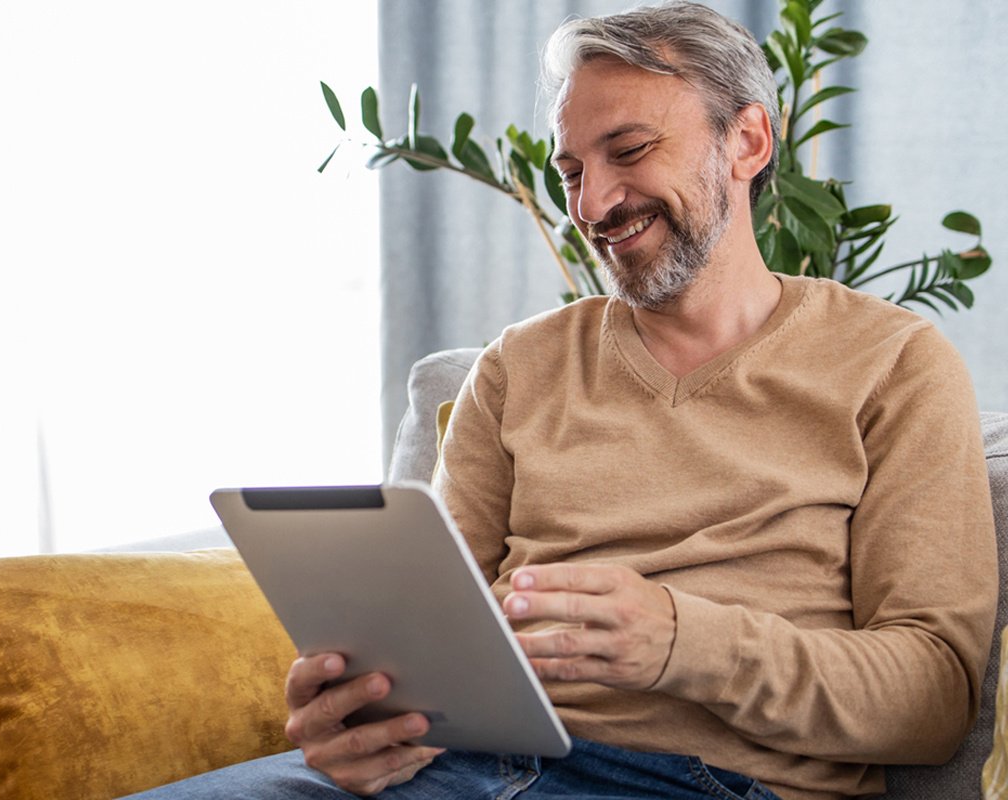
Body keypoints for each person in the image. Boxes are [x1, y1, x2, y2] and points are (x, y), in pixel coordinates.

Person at [126, 2, 996, 798]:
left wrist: (681, 644)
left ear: (747, 142)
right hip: (461, 770)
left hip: (709, 784)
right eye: (571, 169)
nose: (594, 203)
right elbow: (432, 624)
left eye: (629, 151)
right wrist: (353, 716)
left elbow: (931, 701)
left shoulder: (890, 364)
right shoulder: (520, 366)